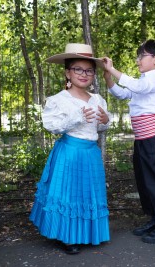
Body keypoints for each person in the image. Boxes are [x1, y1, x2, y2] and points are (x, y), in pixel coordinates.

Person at [29, 43, 111, 254]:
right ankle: (67, 236)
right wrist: (78, 117)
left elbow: (99, 127)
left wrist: (105, 120)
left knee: (87, 194)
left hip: (91, 153)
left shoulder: (97, 99)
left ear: (94, 74)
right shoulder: (58, 100)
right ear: (67, 72)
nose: (84, 74)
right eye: (78, 69)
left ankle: (87, 233)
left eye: (89, 70)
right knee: (68, 194)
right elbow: (51, 126)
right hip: (69, 153)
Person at [101, 40, 155, 244]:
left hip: (152, 140)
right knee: (144, 181)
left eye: (141, 56)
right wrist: (108, 77)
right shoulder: (144, 80)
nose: (137, 61)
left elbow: (135, 86)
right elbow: (123, 92)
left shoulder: (154, 78)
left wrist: (113, 69)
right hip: (142, 140)